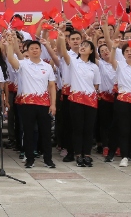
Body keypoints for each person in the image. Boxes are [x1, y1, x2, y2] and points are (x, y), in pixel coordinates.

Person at [3, 35, 57, 169]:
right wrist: (10, 45)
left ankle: (48, 159)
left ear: (40, 50)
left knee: (45, 133)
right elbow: (11, 59)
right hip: (27, 104)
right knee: (28, 132)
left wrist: (53, 104)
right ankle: (29, 159)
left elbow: (51, 86)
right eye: (31, 48)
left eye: (36, 48)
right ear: (27, 51)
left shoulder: (47, 67)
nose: (34, 50)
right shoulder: (23, 64)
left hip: (44, 104)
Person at [50, 32, 101, 168]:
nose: (82, 47)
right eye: (81, 45)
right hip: (76, 100)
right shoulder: (73, 62)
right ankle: (78, 155)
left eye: (86, 45)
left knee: (88, 129)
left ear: (91, 51)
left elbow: (96, 85)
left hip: (90, 101)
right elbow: (63, 53)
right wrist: (61, 39)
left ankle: (87, 155)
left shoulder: (94, 67)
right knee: (77, 128)